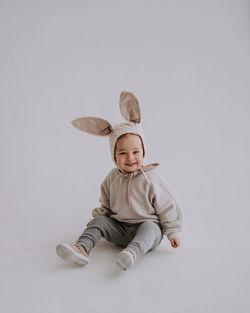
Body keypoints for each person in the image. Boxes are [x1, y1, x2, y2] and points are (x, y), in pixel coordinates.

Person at [56, 91, 182, 271]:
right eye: (123, 153)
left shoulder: (151, 179)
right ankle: (81, 249)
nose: (130, 158)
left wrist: (172, 233)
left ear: (143, 152)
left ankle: (131, 253)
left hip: (145, 229)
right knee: (98, 222)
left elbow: (166, 206)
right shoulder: (112, 178)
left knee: (151, 228)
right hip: (120, 229)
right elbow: (106, 203)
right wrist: (99, 217)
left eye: (136, 152)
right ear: (114, 156)